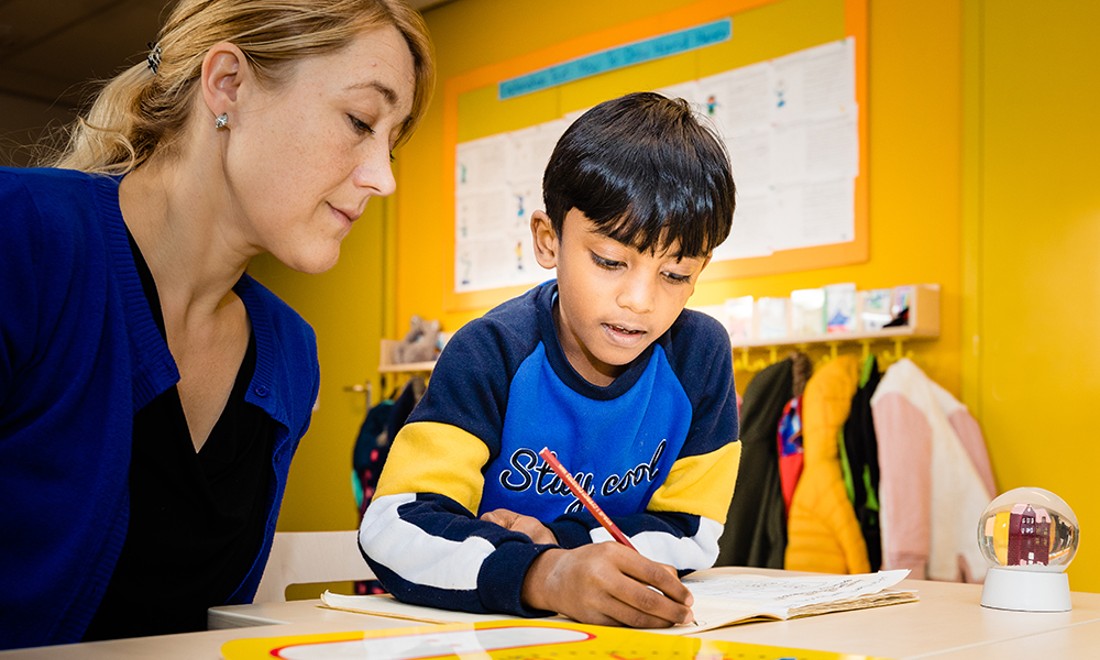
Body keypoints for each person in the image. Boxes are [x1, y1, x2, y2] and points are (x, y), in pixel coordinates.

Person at [0, 0, 434, 649]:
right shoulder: (25, 238)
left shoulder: (289, 352)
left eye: (391, 144)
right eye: (359, 120)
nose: (383, 179)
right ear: (227, 85)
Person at [359, 91, 740, 628]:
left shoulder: (699, 356)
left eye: (676, 275)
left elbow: (693, 529)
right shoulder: (490, 352)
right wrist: (547, 573)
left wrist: (565, 543)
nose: (640, 300)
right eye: (610, 260)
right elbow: (395, 527)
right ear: (547, 240)